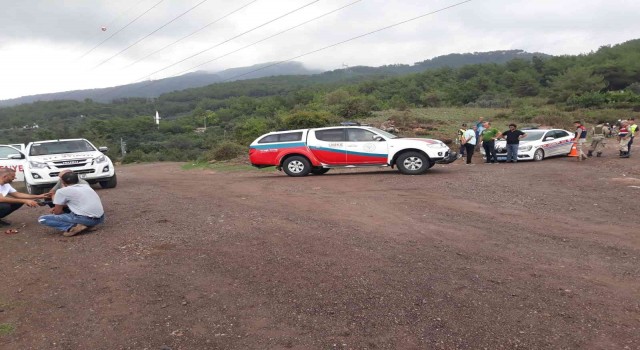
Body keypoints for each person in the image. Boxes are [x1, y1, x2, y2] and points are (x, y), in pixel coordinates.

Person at [38, 172, 105, 237]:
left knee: (42, 219)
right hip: (100, 218)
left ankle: (71, 228)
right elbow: (78, 202)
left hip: (86, 219)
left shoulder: (61, 191)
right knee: (71, 212)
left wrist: (55, 209)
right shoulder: (86, 186)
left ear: (62, 182)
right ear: (78, 179)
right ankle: (87, 225)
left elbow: (58, 212)